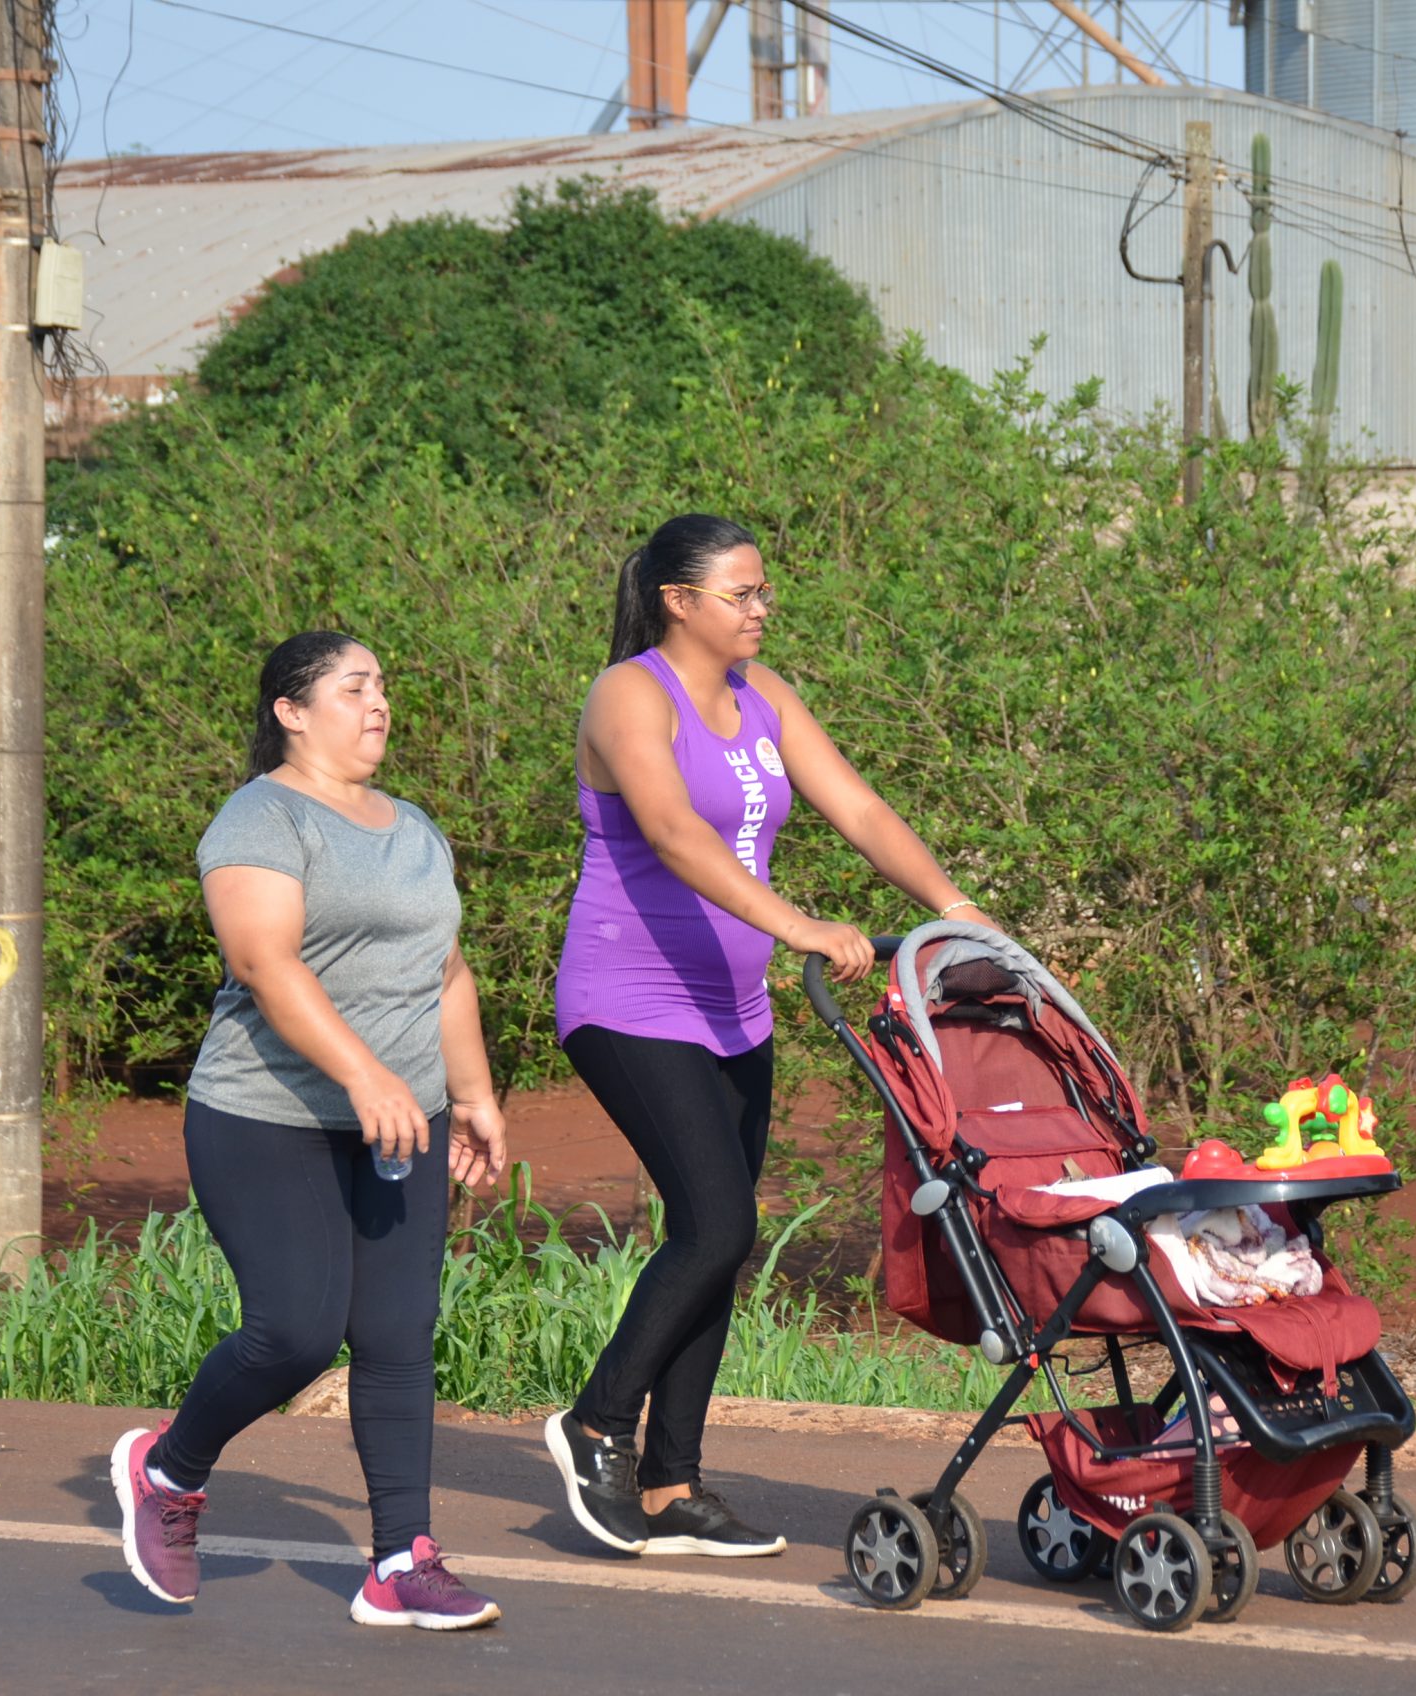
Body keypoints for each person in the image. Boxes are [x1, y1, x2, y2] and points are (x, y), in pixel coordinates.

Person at [543, 514, 991, 1557]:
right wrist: (801, 926)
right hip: (628, 1000)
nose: (760, 606)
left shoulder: (764, 696)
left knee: (717, 1241)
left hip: (731, 1009)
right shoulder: (626, 695)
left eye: (762, 591)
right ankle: (596, 1420)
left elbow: (862, 810)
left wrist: (955, 909)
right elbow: (673, 830)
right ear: (678, 601)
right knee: (716, 1222)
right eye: (740, 593)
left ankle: (672, 1487)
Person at [112, 630, 509, 1629]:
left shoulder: (414, 826)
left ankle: (399, 1560)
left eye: (381, 683)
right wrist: (365, 1072)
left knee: (393, 1335)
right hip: (267, 1115)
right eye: (353, 686)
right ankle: (167, 1469)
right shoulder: (260, 818)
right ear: (291, 710)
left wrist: (471, 1093)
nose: (378, 702)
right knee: (294, 1330)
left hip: (400, 1118)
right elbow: (264, 962)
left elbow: (445, 971)